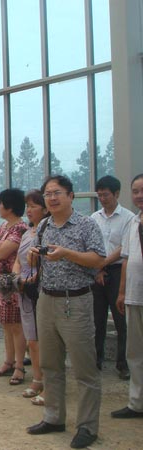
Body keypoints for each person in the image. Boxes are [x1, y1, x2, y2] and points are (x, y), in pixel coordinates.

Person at [26, 175, 106, 449]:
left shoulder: (86, 225)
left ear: (71, 196)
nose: (52, 198)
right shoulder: (44, 225)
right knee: (50, 364)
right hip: (47, 299)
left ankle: (87, 426)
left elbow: (98, 259)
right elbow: (39, 259)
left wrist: (66, 253)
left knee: (84, 368)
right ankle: (53, 417)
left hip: (77, 301)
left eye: (57, 192)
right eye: (48, 194)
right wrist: (34, 255)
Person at [91, 175, 134, 379]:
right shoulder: (94, 217)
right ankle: (96, 359)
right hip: (97, 272)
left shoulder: (128, 218)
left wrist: (103, 263)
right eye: (99, 195)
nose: (102, 199)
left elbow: (124, 247)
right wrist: (97, 269)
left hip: (118, 271)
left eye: (106, 195)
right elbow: (91, 245)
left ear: (116, 194)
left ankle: (123, 364)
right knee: (97, 319)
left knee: (120, 319)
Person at [0, 189, 28, 385]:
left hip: (13, 286)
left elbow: (1, 253)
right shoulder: (5, 226)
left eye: (0, 204)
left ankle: (19, 366)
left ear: (9, 207)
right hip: (1, 285)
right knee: (6, 324)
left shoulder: (20, 228)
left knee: (16, 326)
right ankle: (8, 361)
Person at [112, 173, 143, 419]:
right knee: (135, 352)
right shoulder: (134, 222)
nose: (139, 195)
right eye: (135, 191)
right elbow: (126, 259)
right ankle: (137, 403)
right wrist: (122, 292)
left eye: (142, 191)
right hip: (134, 295)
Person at [12, 190, 48, 406]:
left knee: (45, 339)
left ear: (44, 208)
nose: (29, 210)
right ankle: (37, 379)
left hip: (41, 289)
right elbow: (18, 259)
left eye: (33, 206)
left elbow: (47, 261)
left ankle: (48, 382)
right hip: (24, 290)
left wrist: (35, 277)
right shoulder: (27, 233)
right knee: (32, 340)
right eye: (28, 206)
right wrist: (17, 277)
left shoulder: (47, 232)